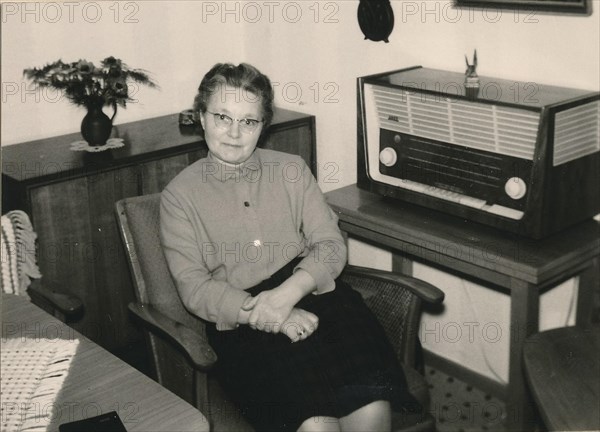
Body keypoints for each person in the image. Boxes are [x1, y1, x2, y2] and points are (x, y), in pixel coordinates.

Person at [160, 62, 418, 432]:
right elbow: (194, 289)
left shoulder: (292, 169)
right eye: (222, 117)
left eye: (248, 121)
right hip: (245, 322)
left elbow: (329, 245)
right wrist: (270, 314)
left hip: (319, 299)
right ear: (201, 117)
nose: (234, 133)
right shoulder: (179, 197)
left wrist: (287, 294)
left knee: (372, 410)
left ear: (263, 126)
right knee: (315, 425)